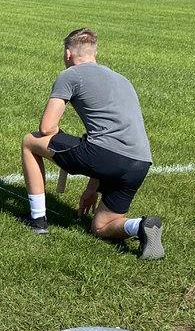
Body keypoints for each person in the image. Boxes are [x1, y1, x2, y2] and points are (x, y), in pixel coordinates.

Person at [19, 28, 164, 260]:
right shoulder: (122, 79)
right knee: (101, 226)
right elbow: (113, 138)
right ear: (95, 53)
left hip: (104, 155)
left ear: (68, 54)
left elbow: (47, 128)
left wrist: (56, 136)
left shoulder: (70, 75)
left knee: (30, 141)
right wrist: (91, 188)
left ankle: (37, 219)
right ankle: (140, 226)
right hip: (140, 162)